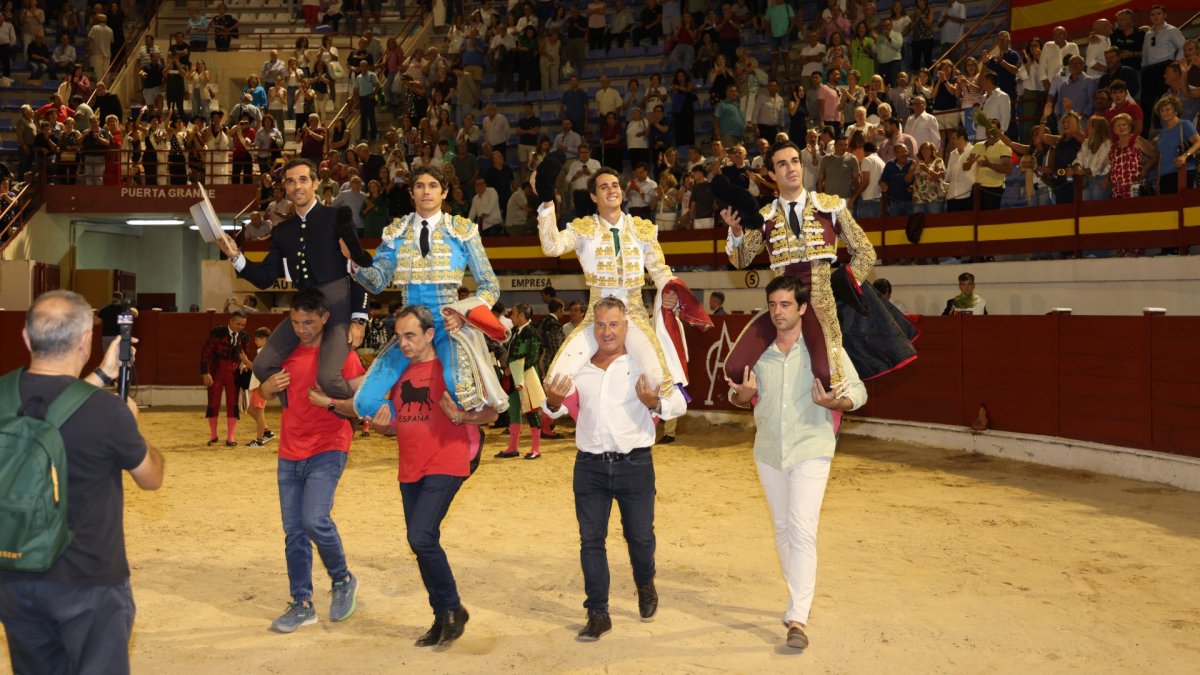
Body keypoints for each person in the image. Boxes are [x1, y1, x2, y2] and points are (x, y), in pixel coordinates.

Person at [0, 291, 164, 675]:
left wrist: (102, 376)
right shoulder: (106, 411)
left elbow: (47, 415)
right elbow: (151, 477)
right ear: (85, 340)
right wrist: (133, 428)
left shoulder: (3, 396)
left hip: (15, 573)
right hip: (88, 579)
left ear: (26, 338)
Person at [725, 275, 864, 652]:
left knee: (802, 529)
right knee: (784, 528)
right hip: (768, 449)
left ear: (802, 308)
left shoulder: (823, 351)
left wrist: (836, 404)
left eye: (785, 305)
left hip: (811, 447)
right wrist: (743, 397)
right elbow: (736, 397)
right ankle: (796, 599)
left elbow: (859, 392)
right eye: (772, 305)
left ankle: (798, 616)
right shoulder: (760, 352)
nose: (777, 312)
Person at [722, 140, 916, 396]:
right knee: (735, 367)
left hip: (820, 301)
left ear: (801, 167)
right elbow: (741, 259)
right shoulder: (765, 216)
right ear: (771, 174)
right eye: (782, 164)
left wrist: (842, 287)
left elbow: (865, 251)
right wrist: (736, 231)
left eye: (794, 161)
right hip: (782, 302)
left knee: (828, 376)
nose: (791, 168)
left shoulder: (830, 206)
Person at [541, 297, 686, 640]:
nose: (607, 331)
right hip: (589, 466)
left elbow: (678, 402)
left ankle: (645, 581)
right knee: (591, 541)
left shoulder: (643, 362)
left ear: (626, 327)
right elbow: (555, 409)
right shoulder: (578, 366)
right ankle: (597, 611)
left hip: (635, 464)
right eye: (601, 325)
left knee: (640, 537)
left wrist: (655, 403)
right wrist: (553, 402)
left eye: (614, 324)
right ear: (593, 328)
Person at [356, 305, 498, 647]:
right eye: (400, 336)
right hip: (410, 466)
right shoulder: (398, 374)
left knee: (421, 537)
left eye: (411, 336)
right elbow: (398, 423)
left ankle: (451, 609)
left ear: (430, 334)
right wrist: (381, 428)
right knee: (422, 543)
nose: (404, 344)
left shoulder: (452, 369)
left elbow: (492, 412)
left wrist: (461, 416)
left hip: (447, 462)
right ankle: (442, 616)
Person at [532, 161, 711, 411]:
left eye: (615, 185)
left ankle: (647, 420)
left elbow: (660, 270)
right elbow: (551, 247)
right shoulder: (584, 228)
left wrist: (670, 292)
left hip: (633, 314)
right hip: (597, 316)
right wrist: (547, 204)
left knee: (658, 378)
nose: (612, 190)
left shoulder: (642, 229)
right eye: (604, 187)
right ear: (594, 196)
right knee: (556, 379)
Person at [347, 165, 509, 421]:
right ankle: (417, 421)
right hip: (409, 325)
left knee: (460, 388)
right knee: (365, 402)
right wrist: (353, 262)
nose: (426, 192)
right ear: (411, 192)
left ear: (444, 192)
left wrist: (464, 314)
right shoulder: (396, 231)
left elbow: (490, 285)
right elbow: (377, 282)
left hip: (449, 322)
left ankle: (467, 437)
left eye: (433, 186)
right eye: (420, 186)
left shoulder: (462, 230)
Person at [217, 158, 374, 407]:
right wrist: (236, 257)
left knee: (329, 380)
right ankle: (300, 408)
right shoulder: (282, 231)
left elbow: (360, 270)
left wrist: (359, 319)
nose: (297, 186)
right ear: (286, 188)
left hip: (338, 309)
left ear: (314, 183)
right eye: (291, 181)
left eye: (303, 180)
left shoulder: (337, 217)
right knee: (262, 364)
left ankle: (361, 405)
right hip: (303, 312)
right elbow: (266, 278)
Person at [257, 288, 364, 633]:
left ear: (324, 318)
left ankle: (342, 578)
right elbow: (254, 403)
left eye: (309, 322)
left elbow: (360, 407)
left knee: (315, 519)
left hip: (329, 446)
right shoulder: (284, 354)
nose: (302, 329)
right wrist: (265, 389)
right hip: (289, 451)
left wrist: (329, 403)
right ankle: (302, 603)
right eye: (296, 322)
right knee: (294, 532)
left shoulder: (342, 357)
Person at [495, 303, 545, 460]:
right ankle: (513, 447)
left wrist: (514, 368)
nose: (511, 316)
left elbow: (532, 358)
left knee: (532, 411)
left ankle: (535, 449)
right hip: (514, 376)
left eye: (514, 314)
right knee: (514, 409)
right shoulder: (516, 331)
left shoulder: (532, 332)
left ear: (522, 316)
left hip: (528, 377)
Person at [201, 312, 249, 446]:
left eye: (243, 324)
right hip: (216, 371)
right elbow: (205, 353)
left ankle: (231, 437)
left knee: (232, 404)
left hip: (233, 374)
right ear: (231, 321)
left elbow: (245, 353)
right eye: (238, 324)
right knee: (213, 402)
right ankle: (213, 435)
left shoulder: (244, 337)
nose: (241, 327)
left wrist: (244, 365)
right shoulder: (218, 333)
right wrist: (205, 372)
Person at [246, 326, 277, 448]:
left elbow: (259, 369)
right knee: (249, 409)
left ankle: (259, 440)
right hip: (258, 385)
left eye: (258, 339)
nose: (256, 341)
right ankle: (267, 432)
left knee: (259, 412)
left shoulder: (266, 353)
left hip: (261, 385)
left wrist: (245, 361)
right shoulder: (265, 352)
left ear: (266, 339)